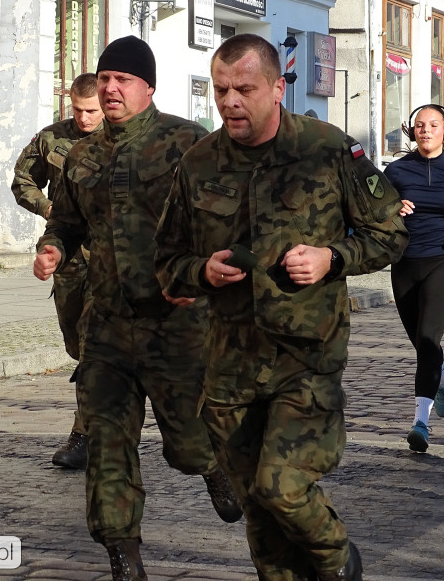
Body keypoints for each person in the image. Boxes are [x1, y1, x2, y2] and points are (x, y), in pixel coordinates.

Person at [155, 33, 407, 581]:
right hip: (230, 362)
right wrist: (201, 271)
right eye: (221, 90)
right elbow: (167, 257)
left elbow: (391, 233)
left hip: (306, 354)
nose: (229, 102)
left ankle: (337, 559)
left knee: (281, 486)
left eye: (243, 88)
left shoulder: (327, 149)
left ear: (277, 87)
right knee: (256, 507)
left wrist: (331, 258)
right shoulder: (198, 163)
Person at [34, 36, 240, 581]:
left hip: (174, 322)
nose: (109, 88)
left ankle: (214, 467)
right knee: (106, 445)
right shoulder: (82, 155)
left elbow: (225, 219)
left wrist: (204, 273)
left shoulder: (189, 144)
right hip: (105, 324)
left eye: (122, 79)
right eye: (103, 78)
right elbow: (67, 220)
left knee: (187, 441)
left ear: (148, 87)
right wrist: (53, 246)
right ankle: (124, 557)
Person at [12, 73, 103, 470]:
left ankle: (85, 434)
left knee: (94, 347)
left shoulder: (125, 142)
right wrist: (47, 209)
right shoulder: (51, 139)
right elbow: (22, 180)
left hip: (112, 260)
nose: (85, 118)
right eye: (79, 110)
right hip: (69, 258)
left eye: (93, 111)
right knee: (76, 345)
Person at [384, 104, 444, 452]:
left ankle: (420, 423)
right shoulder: (395, 171)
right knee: (420, 344)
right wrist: (391, 208)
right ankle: (442, 376)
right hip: (405, 261)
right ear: (413, 132)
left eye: (434, 125)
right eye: (420, 125)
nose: (426, 130)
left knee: (428, 339)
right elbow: (369, 210)